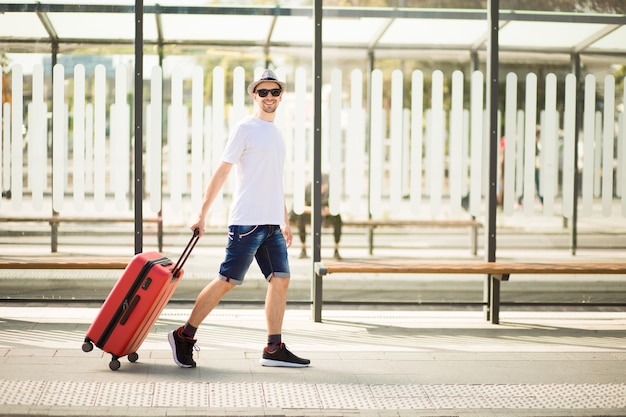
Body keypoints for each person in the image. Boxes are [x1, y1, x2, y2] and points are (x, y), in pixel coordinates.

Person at [168, 69, 310, 369]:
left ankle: (274, 348)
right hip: (246, 223)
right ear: (253, 95)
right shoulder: (245, 128)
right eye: (263, 92)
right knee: (227, 280)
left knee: (281, 280)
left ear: (281, 96)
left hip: (271, 224)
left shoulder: (277, 133)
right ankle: (184, 335)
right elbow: (222, 172)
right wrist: (201, 214)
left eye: (274, 92)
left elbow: (275, 181)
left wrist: (284, 220)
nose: (269, 97)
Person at [290, 174, 342, 260]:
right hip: (310, 213)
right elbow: (300, 206)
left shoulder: (330, 191)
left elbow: (336, 208)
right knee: (300, 217)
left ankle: (336, 249)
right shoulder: (308, 189)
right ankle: (303, 248)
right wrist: (314, 210)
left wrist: (327, 211)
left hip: (325, 215)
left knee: (337, 218)